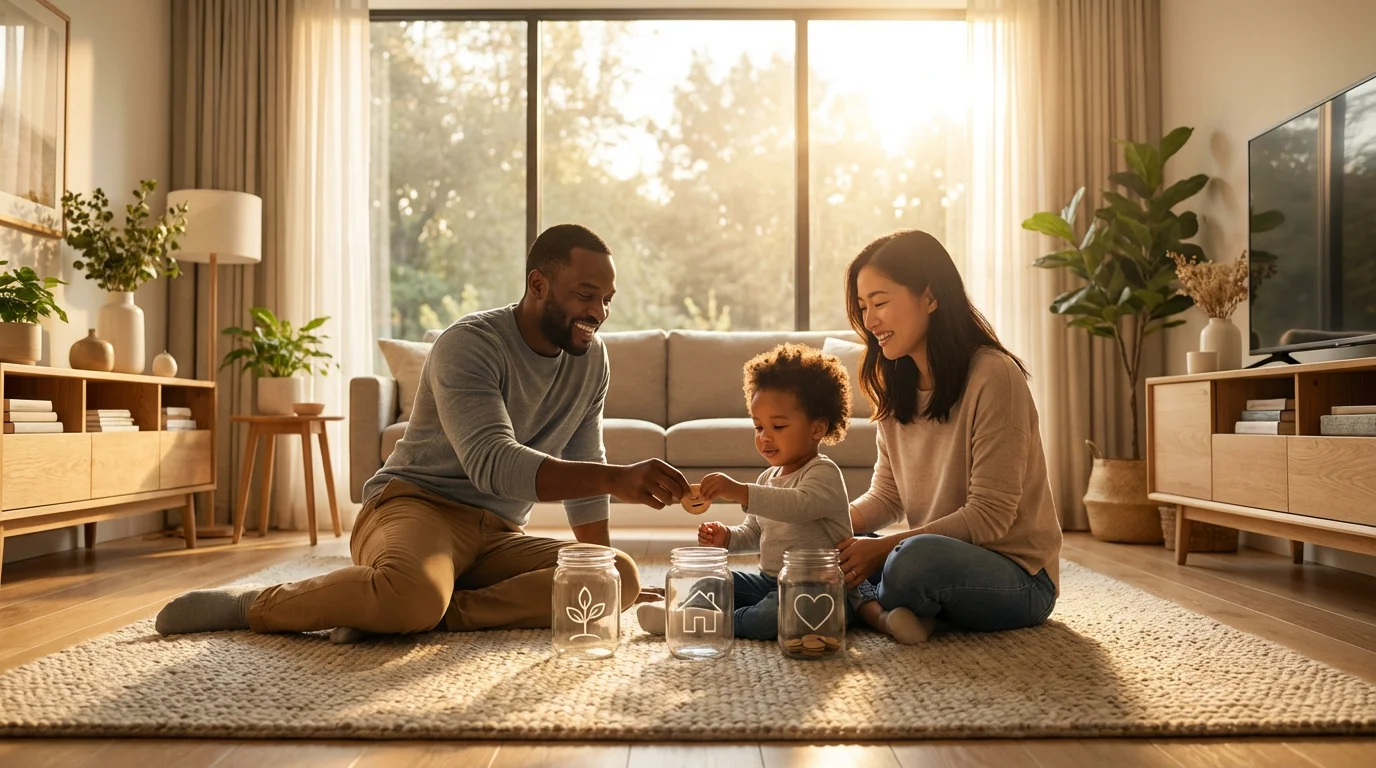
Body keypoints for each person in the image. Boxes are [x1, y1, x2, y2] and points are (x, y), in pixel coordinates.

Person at [155, 224, 690, 639]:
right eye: (586, 295)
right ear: (538, 284)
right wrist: (620, 478)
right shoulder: (469, 343)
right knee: (412, 594)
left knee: (616, 576)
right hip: (414, 507)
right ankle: (257, 605)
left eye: (607, 300)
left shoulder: (591, 360)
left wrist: (593, 567)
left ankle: (410, 610)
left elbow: (582, 453)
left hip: (498, 534)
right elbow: (492, 462)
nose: (598, 313)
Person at [836, 229, 1063, 642]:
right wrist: (826, 523)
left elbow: (990, 516)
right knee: (836, 548)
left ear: (931, 296)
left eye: (881, 302)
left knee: (909, 562)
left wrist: (883, 551)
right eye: (863, 307)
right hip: (935, 557)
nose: (870, 321)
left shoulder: (994, 376)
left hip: (1019, 578)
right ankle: (888, 607)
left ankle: (864, 604)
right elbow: (887, 497)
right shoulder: (894, 383)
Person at [638, 343, 921, 642]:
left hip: (819, 587)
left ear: (817, 429)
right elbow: (757, 532)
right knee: (710, 583)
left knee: (774, 616)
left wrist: (741, 492)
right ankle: (689, 610)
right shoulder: (768, 477)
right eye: (758, 427)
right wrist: (727, 538)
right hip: (770, 580)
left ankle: (711, 622)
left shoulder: (823, 473)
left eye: (779, 426)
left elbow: (797, 506)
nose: (765, 437)